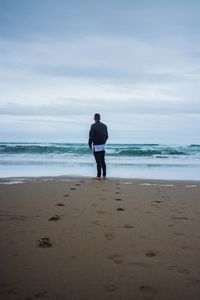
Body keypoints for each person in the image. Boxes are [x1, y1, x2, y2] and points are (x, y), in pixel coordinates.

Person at [88, 113, 108, 179]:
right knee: (103, 160)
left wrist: (90, 144)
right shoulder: (104, 126)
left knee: (98, 161)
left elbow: (91, 136)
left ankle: (98, 176)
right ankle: (104, 175)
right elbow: (107, 136)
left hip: (96, 145)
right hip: (102, 145)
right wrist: (103, 142)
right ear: (99, 118)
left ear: (94, 118)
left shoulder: (93, 126)